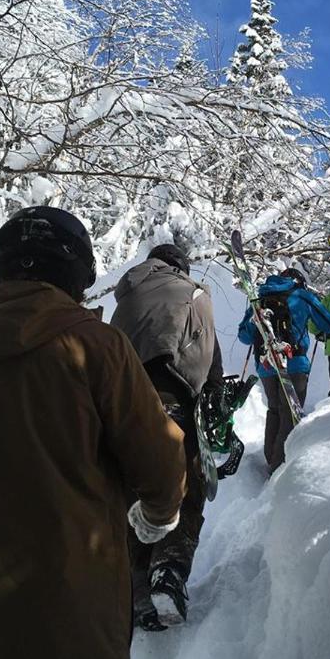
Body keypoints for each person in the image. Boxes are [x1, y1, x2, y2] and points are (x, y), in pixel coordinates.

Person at [0, 207, 186, 659]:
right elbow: (158, 458)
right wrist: (159, 514)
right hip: (65, 610)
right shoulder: (97, 346)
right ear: (78, 273)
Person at [111, 243, 223, 631]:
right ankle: (168, 572)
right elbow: (210, 360)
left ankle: (136, 589)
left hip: (121, 406)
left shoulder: (126, 295)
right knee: (183, 486)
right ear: (181, 266)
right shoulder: (193, 294)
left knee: (132, 492)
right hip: (173, 401)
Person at [238, 267, 330, 474]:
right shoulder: (302, 296)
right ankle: (279, 468)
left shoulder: (259, 300)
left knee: (274, 409)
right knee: (290, 414)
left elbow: (244, 336)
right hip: (294, 364)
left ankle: (271, 459)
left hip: (266, 365)